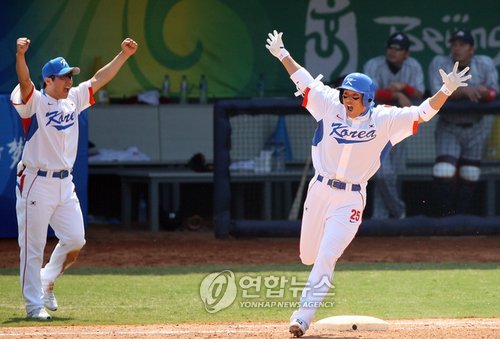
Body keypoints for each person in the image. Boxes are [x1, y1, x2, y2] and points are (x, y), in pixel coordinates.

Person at [265, 29, 470, 337]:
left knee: (326, 257)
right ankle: (308, 290)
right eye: (345, 94)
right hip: (319, 190)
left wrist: (446, 90)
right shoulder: (329, 103)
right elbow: (303, 79)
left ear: (368, 99)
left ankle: (301, 319)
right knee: (308, 255)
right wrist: (283, 54)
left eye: (354, 96)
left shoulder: (385, 119)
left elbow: (423, 113)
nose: (347, 100)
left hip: (350, 200)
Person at [11, 36, 138, 320]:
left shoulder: (73, 100)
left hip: (64, 183)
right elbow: (24, 83)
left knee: (75, 238)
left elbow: (97, 79)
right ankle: (33, 306)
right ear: (49, 80)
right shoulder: (36, 103)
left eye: (70, 76)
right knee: (32, 247)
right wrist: (20, 56)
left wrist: (123, 55)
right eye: (64, 77)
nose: (69, 81)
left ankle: (47, 279)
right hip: (36, 181)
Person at [428, 29, 498, 216]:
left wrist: (485, 93)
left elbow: (494, 92)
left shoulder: (485, 63)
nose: (457, 48)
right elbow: (436, 94)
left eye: (462, 44)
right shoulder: (440, 63)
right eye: (454, 44)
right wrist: (465, 91)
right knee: (443, 170)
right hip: (449, 125)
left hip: (476, 126)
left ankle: (461, 219)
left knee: (470, 173)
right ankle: (443, 217)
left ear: (471, 49)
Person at [363, 32, 425, 219]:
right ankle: (399, 212)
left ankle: (380, 220)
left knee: (392, 177)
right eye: (391, 47)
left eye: (398, 49)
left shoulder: (413, 66)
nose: (393, 51)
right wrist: (396, 95)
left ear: (406, 54)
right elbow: (368, 94)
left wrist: (403, 87)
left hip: (399, 126)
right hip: (376, 126)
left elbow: (420, 93)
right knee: (383, 175)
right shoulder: (373, 65)